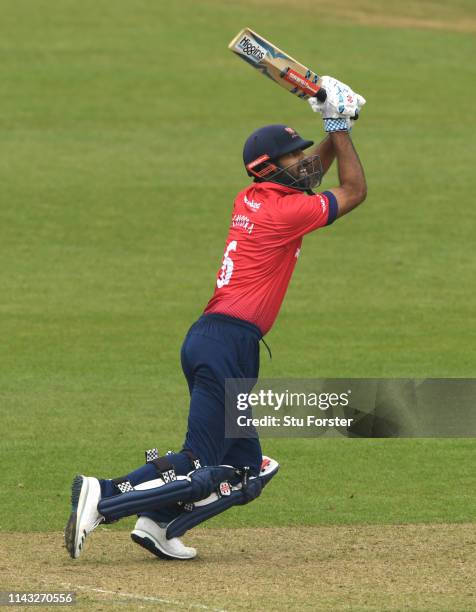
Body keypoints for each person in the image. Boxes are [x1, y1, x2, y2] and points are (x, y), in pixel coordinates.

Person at [65, 75, 367, 561]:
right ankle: (104, 494)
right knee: (198, 460)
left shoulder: (253, 198)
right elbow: (353, 190)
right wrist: (338, 125)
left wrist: (339, 123)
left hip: (219, 340)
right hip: (226, 344)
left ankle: (159, 524)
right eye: (295, 155)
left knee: (248, 468)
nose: (305, 161)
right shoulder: (284, 214)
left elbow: (308, 175)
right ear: (271, 167)